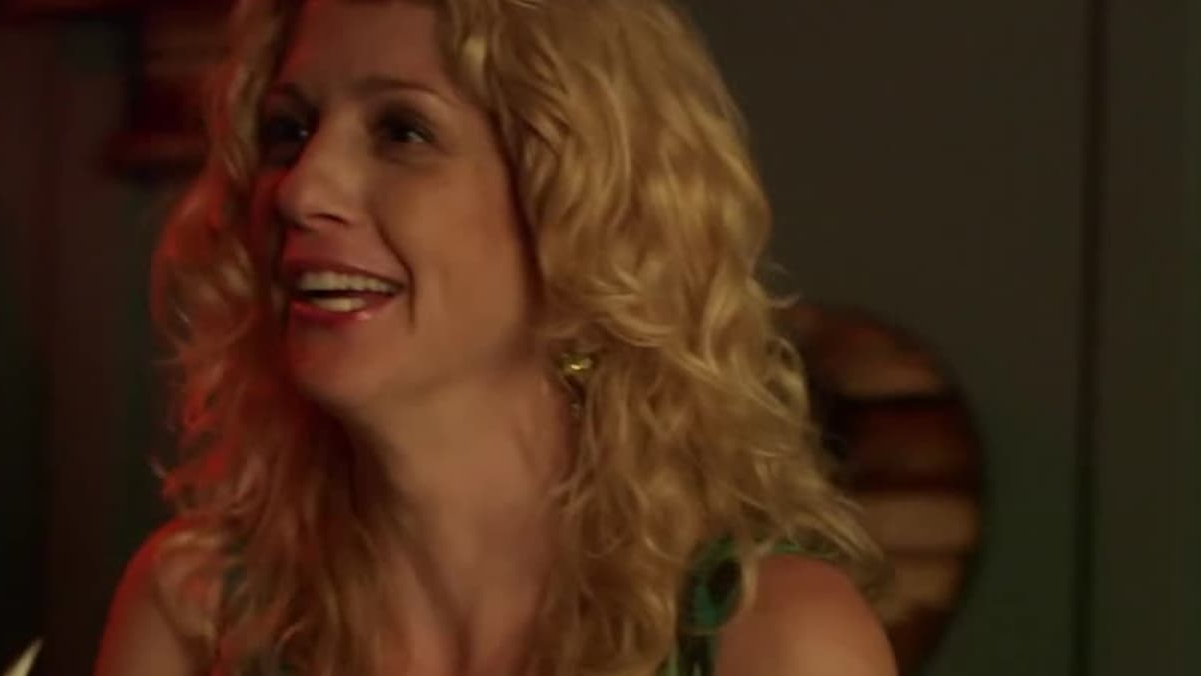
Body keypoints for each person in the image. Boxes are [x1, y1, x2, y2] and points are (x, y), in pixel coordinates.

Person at [93, 0, 895, 674]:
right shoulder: (198, 615)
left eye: (402, 131)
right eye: (289, 130)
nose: (303, 189)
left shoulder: (774, 641)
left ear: (573, 203)